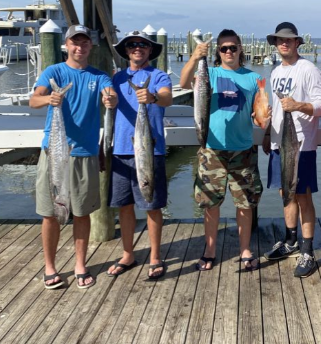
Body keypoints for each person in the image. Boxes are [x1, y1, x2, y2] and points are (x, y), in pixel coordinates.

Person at [30, 24, 117, 290]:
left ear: (91, 46)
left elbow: (109, 92)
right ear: (66, 45)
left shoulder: (99, 76)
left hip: (85, 153)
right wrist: (50, 100)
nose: (80, 47)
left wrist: (110, 99)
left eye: (84, 43)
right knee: (50, 212)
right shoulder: (53, 71)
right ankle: (50, 266)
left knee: (81, 213)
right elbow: (34, 99)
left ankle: (80, 264)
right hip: (55, 151)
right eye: (75, 43)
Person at [179, 29, 265, 271]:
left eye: (233, 47)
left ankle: (245, 249)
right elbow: (184, 83)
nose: (229, 51)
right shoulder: (211, 73)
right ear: (218, 51)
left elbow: (260, 112)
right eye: (224, 48)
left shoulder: (253, 78)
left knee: (245, 203)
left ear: (240, 49)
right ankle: (210, 249)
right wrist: (196, 57)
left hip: (243, 150)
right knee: (210, 203)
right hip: (211, 150)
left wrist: (265, 120)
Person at [263, 22, 321, 278]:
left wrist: (299, 105)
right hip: (280, 142)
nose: (284, 43)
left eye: (289, 40)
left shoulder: (308, 69)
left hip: (302, 145)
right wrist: (268, 133)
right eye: (280, 39)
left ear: (298, 43)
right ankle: (290, 240)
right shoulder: (276, 71)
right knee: (285, 193)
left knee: (303, 195)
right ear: (275, 43)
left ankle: (308, 249)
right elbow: (278, 109)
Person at [106, 31, 173, 281]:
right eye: (132, 45)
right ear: (126, 50)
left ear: (149, 50)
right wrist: (108, 99)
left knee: (152, 205)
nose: (137, 48)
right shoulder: (117, 78)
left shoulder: (158, 75)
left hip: (149, 150)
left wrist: (153, 97)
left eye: (143, 45)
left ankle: (155, 256)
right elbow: (108, 103)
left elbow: (167, 97)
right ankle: (127, 254)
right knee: (124, 206)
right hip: (121, 149)